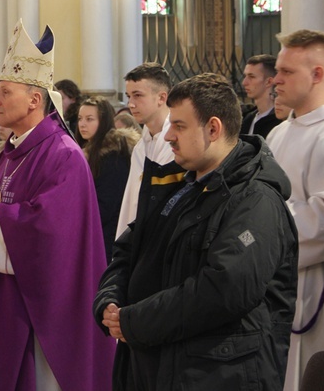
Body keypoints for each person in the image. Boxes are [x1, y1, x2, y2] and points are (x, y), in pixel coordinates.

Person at [95, 73, 298, 390]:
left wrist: (136, 321)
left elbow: (225, 288)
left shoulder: (256, 200)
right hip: (160, 363)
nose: (168, 137)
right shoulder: (181, 186)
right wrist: (110, 300)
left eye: (179, 126)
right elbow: (128, 250)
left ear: (213, 129)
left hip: (217, 373)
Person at [0, 19, 114, 390]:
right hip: (4, 296)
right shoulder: (10, 152)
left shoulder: (63, 155)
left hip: (40, 312)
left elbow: (52, 237)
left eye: (4, 92)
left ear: (35, 99)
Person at [265, 29, 324, 391]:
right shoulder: (279, 133)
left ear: (318, 74)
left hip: (321, 287)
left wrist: (264, 225)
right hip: (280, 287)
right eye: (277, 69)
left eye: (286, 71)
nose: (276, 79)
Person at [116, 62, 174, 239]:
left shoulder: (177, 143)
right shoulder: (140, 147)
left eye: (138, 95)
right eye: (128, 96)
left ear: (162, 98)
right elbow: (130, 202)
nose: (131, 104)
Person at [78, 97, 140, 263]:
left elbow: (106, 204)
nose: (82, 124)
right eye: (80, 119)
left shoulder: (113, 155)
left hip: (106, 236)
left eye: (89, 119)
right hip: (91, 230)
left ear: (103, 121)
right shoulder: (88, 152)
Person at [240, 54, 282, 137]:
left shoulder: (279, 121)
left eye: (251, 77)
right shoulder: (247, 119)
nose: (244, 83)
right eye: (245, 76)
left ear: (269, 81)